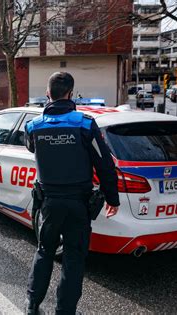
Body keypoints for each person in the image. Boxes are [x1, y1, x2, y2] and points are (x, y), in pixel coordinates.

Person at [25, 72, 120, 315]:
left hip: (48, 204)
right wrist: (112, 198)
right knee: (73, 259)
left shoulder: (33, 126)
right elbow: (105, 164)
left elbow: (31, 147)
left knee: (44, 252)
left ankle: (32, 304)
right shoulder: (85, 124)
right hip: (78, 204)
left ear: (48, 95)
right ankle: (64, 311)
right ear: (70, 94)